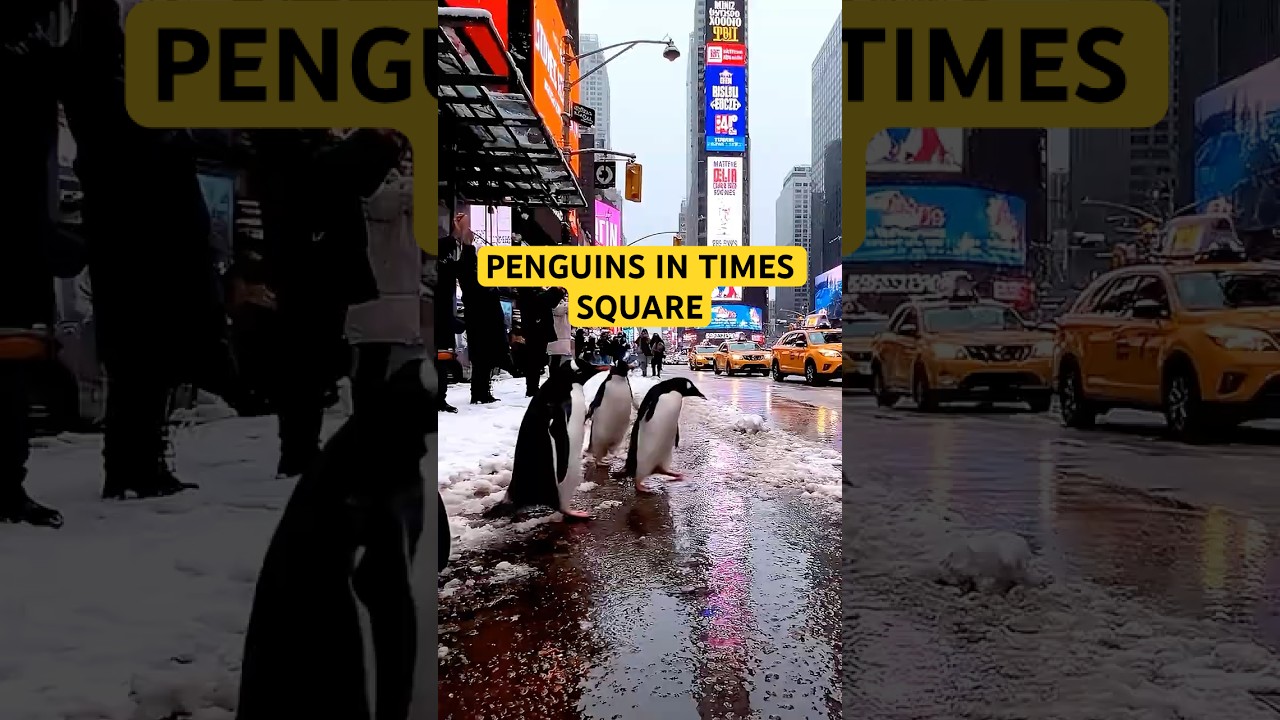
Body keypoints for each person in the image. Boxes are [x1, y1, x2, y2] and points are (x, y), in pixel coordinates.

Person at [249, 128, 405, 478]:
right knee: (307, 367)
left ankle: (299, 449)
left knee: (308, 367)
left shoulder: (315, 166)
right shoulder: (326, 172)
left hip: (311, 278)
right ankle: (299, 451)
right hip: (317, 280)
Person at [344, 145, 428, 415]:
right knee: (397, 373)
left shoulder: (352, 192)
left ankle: (365, 422)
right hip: (399, 301)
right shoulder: (411, 194)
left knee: (368, 370)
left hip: (366, 297)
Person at [446, 212, 508, 404]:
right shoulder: (471, 278)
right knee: (482, 360)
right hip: (481, 323)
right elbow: (466, 263)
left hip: (484, 323)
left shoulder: (479, 280)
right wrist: (466, 241)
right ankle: (480, 393)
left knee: (485, 361)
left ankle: (482, 392)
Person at [515, 286, 565, 396]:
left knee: (535, 359)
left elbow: (549, 302)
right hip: (536, 330)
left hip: (537, 329)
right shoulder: (531, 293)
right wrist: (557, 290)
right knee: (534, 360)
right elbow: (546, 301)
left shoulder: (532, 293)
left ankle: (532, 387)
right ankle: (532, 388)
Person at [547, 289, 574, 368]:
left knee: (556, 360)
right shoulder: (561, 305)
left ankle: (554, 376)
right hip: (559, 337)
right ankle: (555, 377)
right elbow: (558, 310)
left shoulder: (555, 304)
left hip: (558, 336)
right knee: (557, 361)